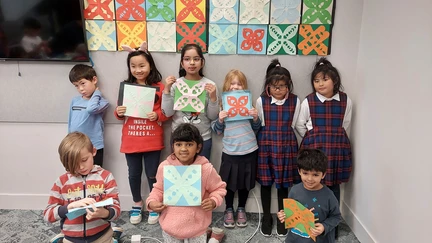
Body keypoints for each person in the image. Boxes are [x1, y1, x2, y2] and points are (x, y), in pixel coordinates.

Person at [295, 57, 352, 237]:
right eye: (316, 80)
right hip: (315, 148)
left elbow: (346, 123)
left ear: (334, 80)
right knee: (310, 184)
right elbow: (299, 124)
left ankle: (331, 227)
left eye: (324, 79)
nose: (320, 84)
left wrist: (334, 136)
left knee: (333, 185)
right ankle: (306, 223)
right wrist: (313, 136)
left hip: (337, 149)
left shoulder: (345, 100)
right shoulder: (308, 101)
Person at [115, 41, 170, 225]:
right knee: (134, 174)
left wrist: (158, 115)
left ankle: (153, 203)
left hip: (153, 140)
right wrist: (119, 112)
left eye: (142, 65)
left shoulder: (160, 88)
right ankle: (137, 202)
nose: (137, 70)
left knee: (153, 174)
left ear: (150, 65)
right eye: (133, 66)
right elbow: (119, 112)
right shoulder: (126, 87)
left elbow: (167, 113)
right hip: (131, 140)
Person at [146, 123, 227, 242]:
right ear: (173, 147)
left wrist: (214, 201)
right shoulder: (165, 167)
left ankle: (213, 236)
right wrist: (151, 202)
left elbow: (219, 188)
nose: (183, 149)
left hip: (197, 227)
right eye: (179, 144)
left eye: (189, 144)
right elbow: (158, 189)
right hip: (170, 226)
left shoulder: (206, 169)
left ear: (198, 148)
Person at [43, 132, 121, 243]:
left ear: (93, 152)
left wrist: (105, 213)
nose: (81, 167)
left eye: (84, 160)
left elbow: (117, 210)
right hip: (71, 239)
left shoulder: (106, 177)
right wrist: (69, 207)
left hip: (102, 236)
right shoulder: (61, 182)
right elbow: (48, 215)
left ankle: (113, 237)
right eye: (74, 163)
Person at [256, 59, 301, 236]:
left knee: (284, 185)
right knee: (266, 183)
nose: (278, 90)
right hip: (266, 144)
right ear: (268, 86)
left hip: (287, 145)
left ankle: (284, 218)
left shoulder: (295, 101)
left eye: (282, 86)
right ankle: (267, 216)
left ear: (288, 86)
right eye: (275, 86)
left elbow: (296, 124)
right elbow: (259, 123)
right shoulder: (261, 101)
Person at [211, 69, 260, 228]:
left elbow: (257, 128)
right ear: (226, 86)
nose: (236, 86)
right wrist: (220, 119)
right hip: (230, 151)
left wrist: (255, 117)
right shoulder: (222, 107)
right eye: (232, 83)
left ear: (244, 87)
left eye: (239, 84)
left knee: (245, 183)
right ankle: (229, 209)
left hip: (249, 150)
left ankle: (241, 209)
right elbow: (217, 131)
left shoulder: (249, 105)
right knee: (228, 183)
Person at [162, 44, 219, 160]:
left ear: (202, 62)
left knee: (202, 173)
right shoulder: (175, 84)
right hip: (179, 139)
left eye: (196, 59)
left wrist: (213, 98)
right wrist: (166, 90)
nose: (192, 63)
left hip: (202, 138)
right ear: (182, 63)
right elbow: (167, 113)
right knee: (179, 173)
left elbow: (213, 117)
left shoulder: (210, 85)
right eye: (187, 59)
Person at [276, 149, 341, 243]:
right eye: (305, 173)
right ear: (299, 171)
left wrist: (324, 226)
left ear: (323, 175)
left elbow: (336, 217)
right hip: (295, 239)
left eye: (315, 175)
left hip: (319, 239)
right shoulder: (294, 191)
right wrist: (283, 214)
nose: (310, 179)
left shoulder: (329, 195)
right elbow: (291, 212)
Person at [68, 64, 109, 167]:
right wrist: (69, 141)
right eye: (76, 86)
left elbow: (91, 109)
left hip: (94, 146)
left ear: (94, 80)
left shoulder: (102, 103)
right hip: (76, 146)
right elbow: (70, 122)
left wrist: (97, 93)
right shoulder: (75, 101)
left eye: (83, 84)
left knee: (95, 176)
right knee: (77, 175)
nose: (81, 89)